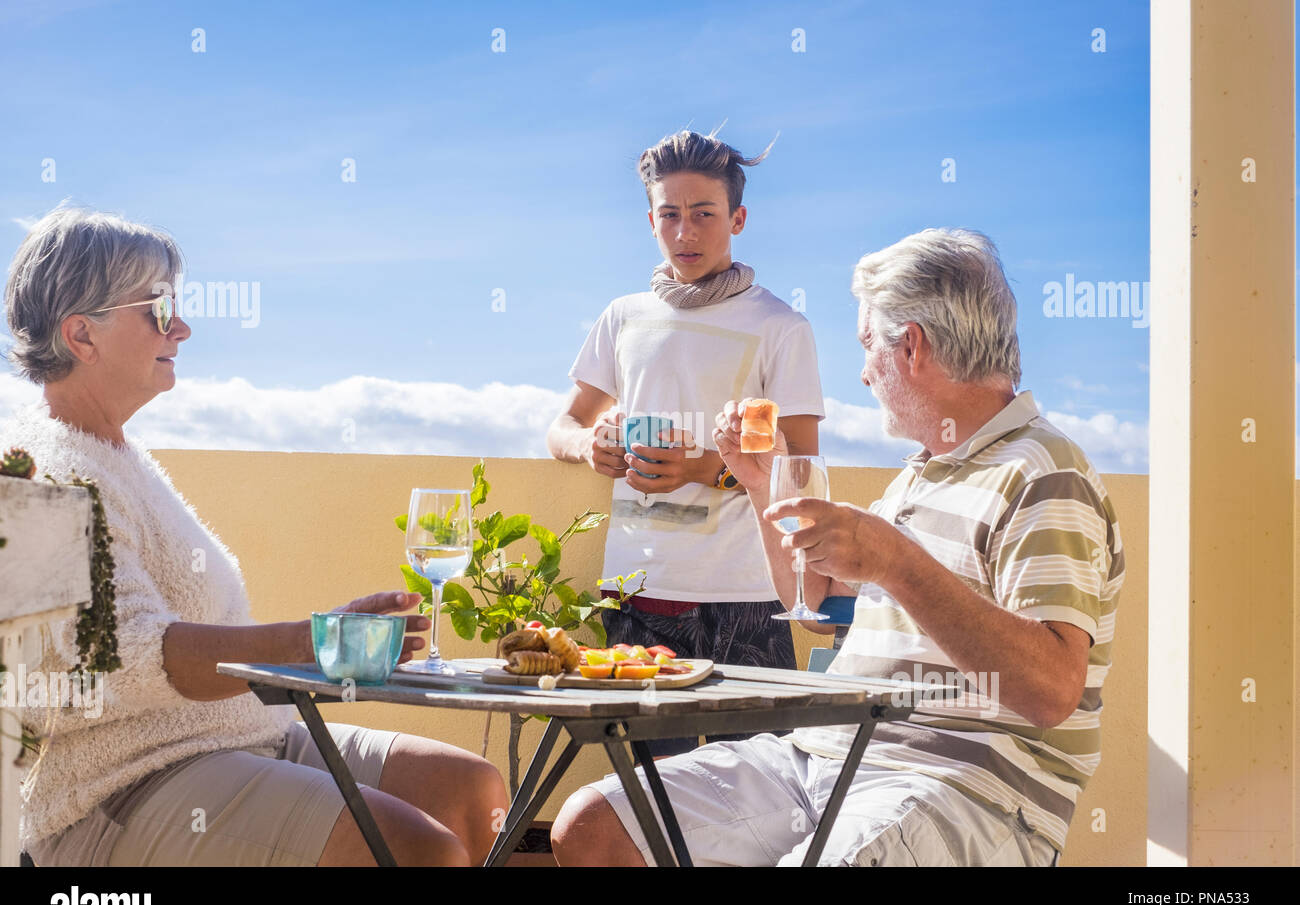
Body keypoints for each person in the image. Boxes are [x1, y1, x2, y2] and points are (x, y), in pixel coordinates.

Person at [552, 228, 1125, 866]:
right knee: (597, 825)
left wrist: (896, 561)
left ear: (912, 346)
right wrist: (760, 481)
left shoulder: (1044, 472)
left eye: (867, 347)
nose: (863, 372)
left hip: (968, 780)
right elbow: (816, 600)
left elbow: (1050, 690)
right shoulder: (924, 469)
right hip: (828, 753)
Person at [2, 205, 508, 866]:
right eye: (156, 308)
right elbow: (116, 660)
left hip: (240, 737)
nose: (180, 327)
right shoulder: (40, 475)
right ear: (81, 334)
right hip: (120, 786)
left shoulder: (120, 460)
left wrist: (317, 644)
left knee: (467, 789)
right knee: (419, 851)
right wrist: (308, 643)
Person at [545, 129, 825, 755]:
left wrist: (704, 467)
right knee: (645, 801)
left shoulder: (781, 325)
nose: (685, 232)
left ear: (738, 218)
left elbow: (803, 466)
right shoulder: (622, 317)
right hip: (634, 597)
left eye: (704, 215)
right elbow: (561, 427)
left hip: (748, 598)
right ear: (651, 220)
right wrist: (590, 446)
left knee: (760, 796)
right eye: (670, 215)